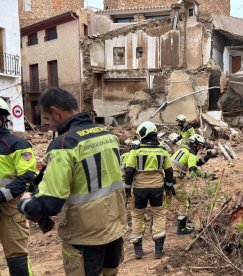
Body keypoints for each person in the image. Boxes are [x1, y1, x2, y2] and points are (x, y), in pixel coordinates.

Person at [17, 88, 127, 276]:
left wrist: (25, 203)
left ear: (56, 112)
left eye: (49, 119)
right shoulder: (107, 136)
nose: (51, 125)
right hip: (114, 231)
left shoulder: (63, 144)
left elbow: (49, 203)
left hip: (84, 239)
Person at [124, 121, 173, 259]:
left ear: (143, 134)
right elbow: (169, 171)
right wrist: (168, 188)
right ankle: (158, 250)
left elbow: (128, 171)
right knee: (158, 215)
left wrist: (127, 190)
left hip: (139, 190)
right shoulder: (163, 150)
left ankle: (138, 249)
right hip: (157, 189)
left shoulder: (136, 150)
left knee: (137, 215)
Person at [0, 98, 36, 275]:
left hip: (10, 209)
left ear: (3, 118)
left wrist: (1, 195)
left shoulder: (17, 145)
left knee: (17, 259)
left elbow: (27, 176)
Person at [168, 134, 211, 235]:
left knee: (166, 202)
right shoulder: (191, 153)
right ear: (195, 144)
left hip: (167, 177)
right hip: (175, 178)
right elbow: (193, 170)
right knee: (185, 202)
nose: (201, 148)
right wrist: (206, 176)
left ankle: (155, 225)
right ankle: (181, 229)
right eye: (200, 146)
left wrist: (207, 157)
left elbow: (197, 163)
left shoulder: (183, 150)